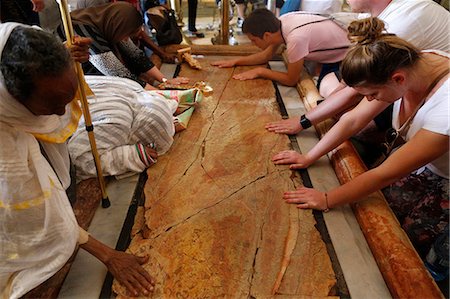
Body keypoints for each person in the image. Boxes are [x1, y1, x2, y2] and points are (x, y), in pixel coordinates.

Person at [274, 17, 449, 261]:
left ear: (398, 79)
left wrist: (326, 198)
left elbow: (385, 173)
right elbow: (352, 120)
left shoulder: (445, 106)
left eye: (373, 94)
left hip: (445, 174)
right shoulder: (412, 64)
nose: (369, 101)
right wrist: (308, 156)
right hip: (427, 163)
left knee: (418, 241)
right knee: (384, 209)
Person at [0, 23, 154, 298]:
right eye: (51, 106)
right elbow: (43, 218)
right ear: (11, 99)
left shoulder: (16, 50)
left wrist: (65, 54)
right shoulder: (7, 152)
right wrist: (108, 255)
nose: (62, 114)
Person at [266, 0, 449, 138]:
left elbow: (356, 91)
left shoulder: (403, 21)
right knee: (330, 86)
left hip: (427, 92)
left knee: (353, 120)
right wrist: (326, 103)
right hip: (391, 80)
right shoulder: (369, 15)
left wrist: (304, 120)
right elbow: (351, 80)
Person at [68, 75, 178, 181]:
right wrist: (132, 155)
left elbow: (159, 111)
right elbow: (79, 161)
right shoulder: (118, 126)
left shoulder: (134, 88)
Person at [57, 2, 188, 89]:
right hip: (81, 84)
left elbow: (136, 55)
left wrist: (164, 80)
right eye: (127, 35)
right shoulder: (81, 29)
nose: (126, 39)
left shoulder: (112, 24)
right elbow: (117, 73)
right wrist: (159, 94)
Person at [211, 9, 350, 88]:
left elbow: (291, 80)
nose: (253, 44)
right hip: (338, 49)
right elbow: (265, 56)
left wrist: (261, 71)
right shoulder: (283, 21)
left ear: (266, 35)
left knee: (325, 89)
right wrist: (236, 61)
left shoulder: (295, 39)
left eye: (253, 40)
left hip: (348, 56)